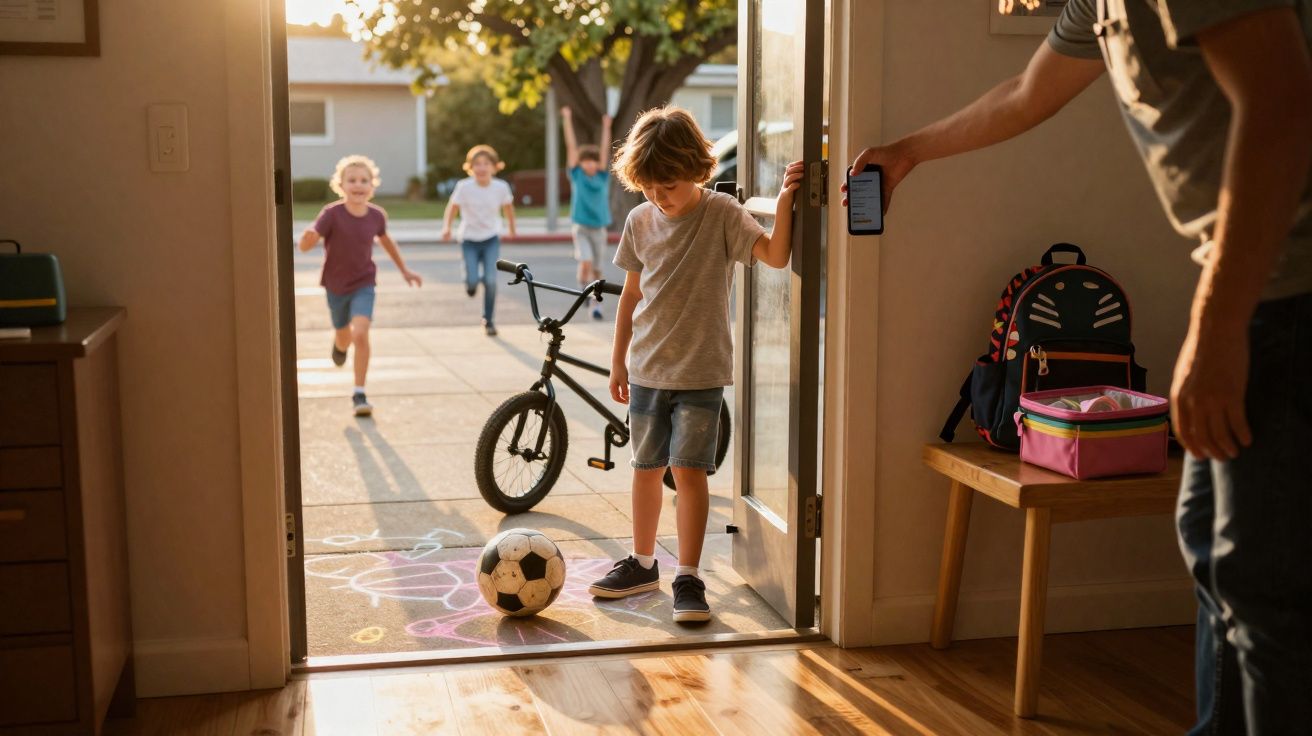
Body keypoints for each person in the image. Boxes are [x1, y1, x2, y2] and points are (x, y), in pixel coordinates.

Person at [844, 4, 1312, 731]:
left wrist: (1217, 327)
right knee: (1219, 548)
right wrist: (907, 151)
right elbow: (1026, 94)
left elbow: (1282, 104)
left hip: (1290, 294)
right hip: (1262, 287)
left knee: (1262, 577)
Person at [586, 106, 805, 624]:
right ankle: (641, 562)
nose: (660, 197)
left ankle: (688, 574)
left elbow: (774, 256)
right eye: (649, 188)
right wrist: (617, 362)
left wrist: (785, 202)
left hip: (701, 373)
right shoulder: (640, 221)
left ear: (698, 169)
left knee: (688, 472)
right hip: (646, 371)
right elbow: (630, 297)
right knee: (645, 469)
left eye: (669, 185)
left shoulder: (722, 214)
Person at [299, 155, 423, 417]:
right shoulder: (331, 214)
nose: (358, 185)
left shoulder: (377, 216)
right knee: (344, 336)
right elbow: (307, 245)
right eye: (352, 180)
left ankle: (359, 393)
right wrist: (307, 239)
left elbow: (387, 242)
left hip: (364, 282)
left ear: (372, 186)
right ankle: (339, 345)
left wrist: (405, 270)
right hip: (335, 285)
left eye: (364, 180)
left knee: (361, 334)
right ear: (341, 185)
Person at [442, 145, 517, 336]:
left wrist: (512, 228)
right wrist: (447, 228)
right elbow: (453, 208)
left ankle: (489, 320)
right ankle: (471, 281)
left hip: (491, 238)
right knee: (473, 282)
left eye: (486, 164)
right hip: (469, 239)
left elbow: (508, 208)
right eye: (477, 164)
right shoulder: (464, 187)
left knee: (491, 281)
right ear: (470, 167)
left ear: (494, 166)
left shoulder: (500, 187)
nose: (482, 168)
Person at [561, 106, 614, 320]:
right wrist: (567, 119)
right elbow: (571, 146)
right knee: (586, 262)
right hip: (581, 227)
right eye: (586, 160)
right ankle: (582, 288)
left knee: (598, 270)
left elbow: (605, 151)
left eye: (593, 160)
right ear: (580, 163)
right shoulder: (577, 175)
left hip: (599, 227)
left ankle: (596, 306)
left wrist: (606, 127)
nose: (590, 163)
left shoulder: (602, 177)